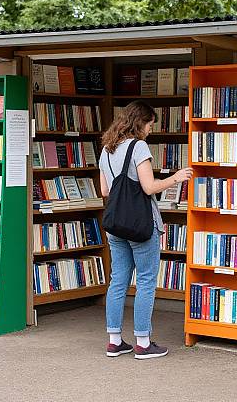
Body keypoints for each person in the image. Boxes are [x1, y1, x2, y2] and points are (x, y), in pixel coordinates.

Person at [99, 100, 193, 360]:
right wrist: (176, 178)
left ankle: (115, 341)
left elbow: (105, 191)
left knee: (117, 281)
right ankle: (143, 342)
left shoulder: (106, 149)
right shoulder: (138, 146)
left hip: (116, 225)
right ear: (139, 123)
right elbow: (149, 187)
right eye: (150, 124)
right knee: (146, 282)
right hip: (141, 225)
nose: (151, 130)